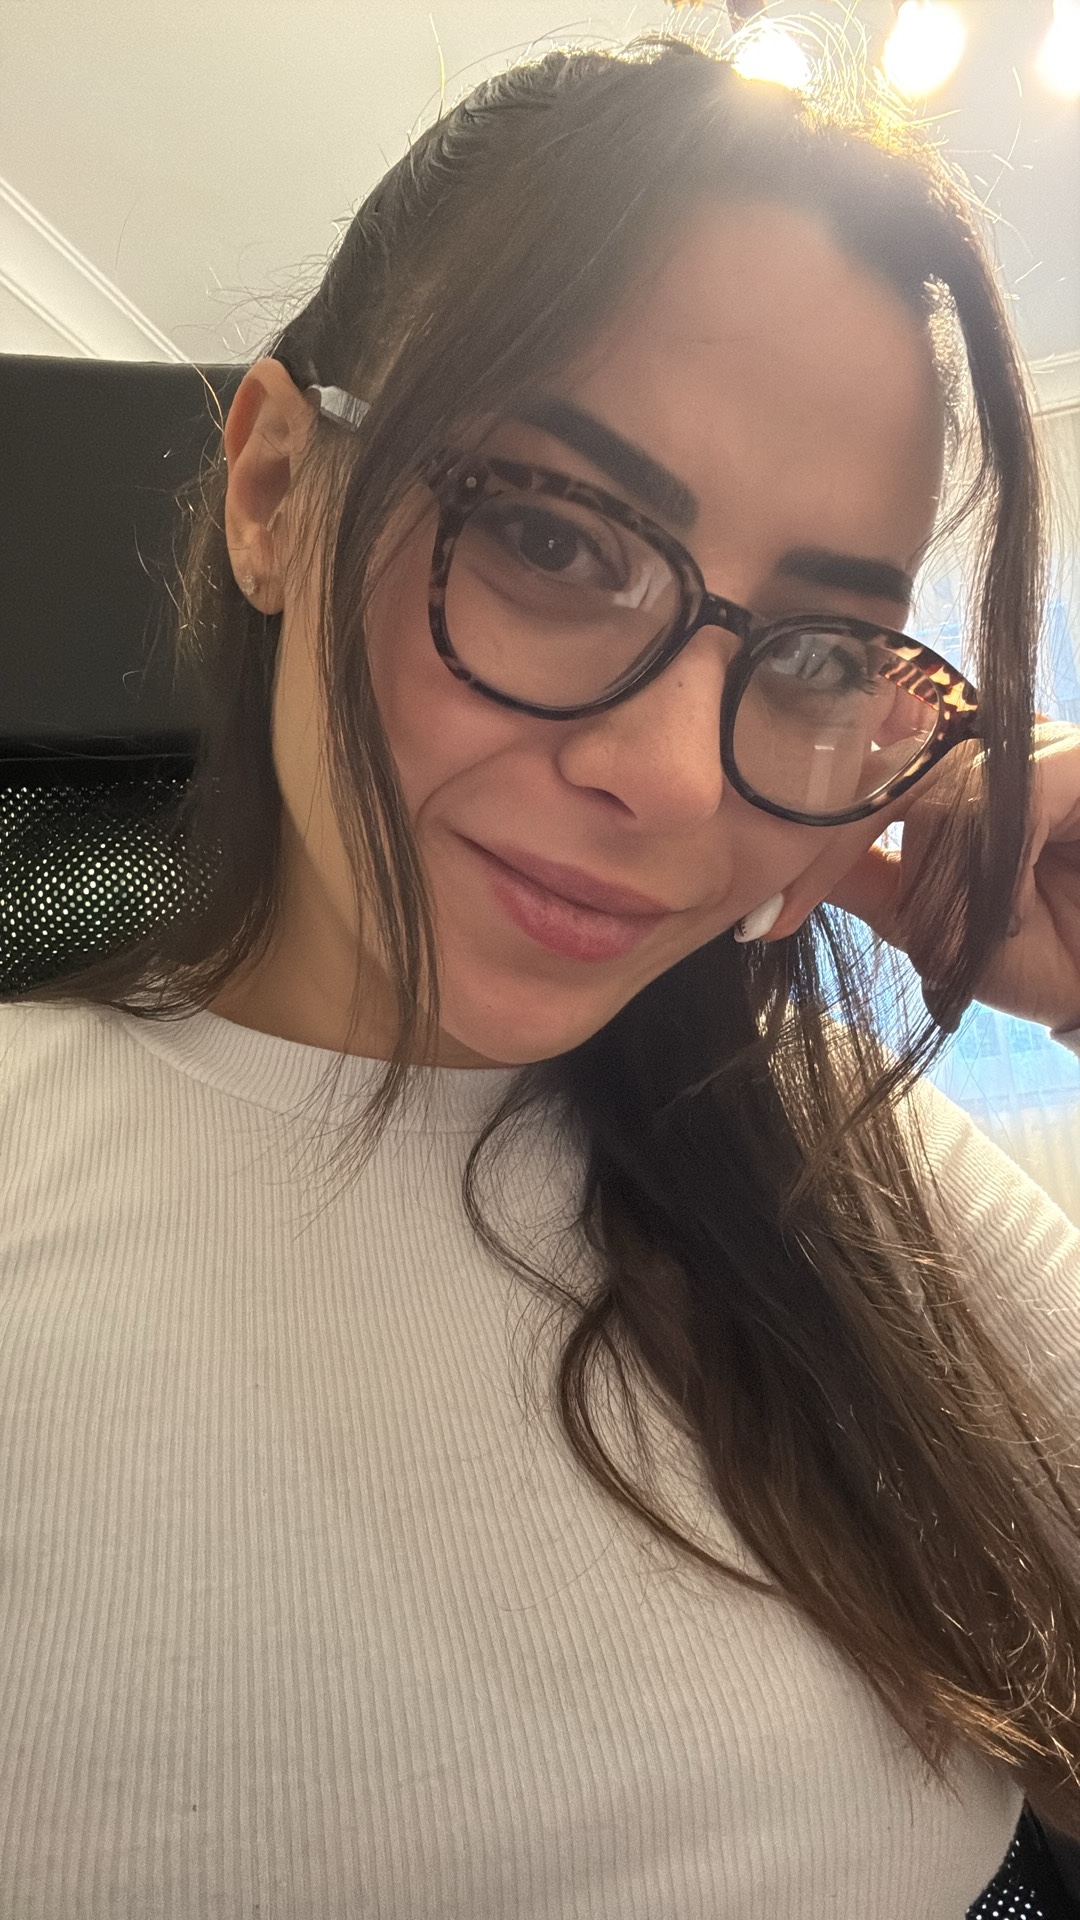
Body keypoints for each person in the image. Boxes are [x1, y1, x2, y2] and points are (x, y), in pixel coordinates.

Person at [2, 31, 1079, 1919]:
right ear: (273, 492)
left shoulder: (842, 1163)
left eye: (822, 654)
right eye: (553, 537)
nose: (675, 781)